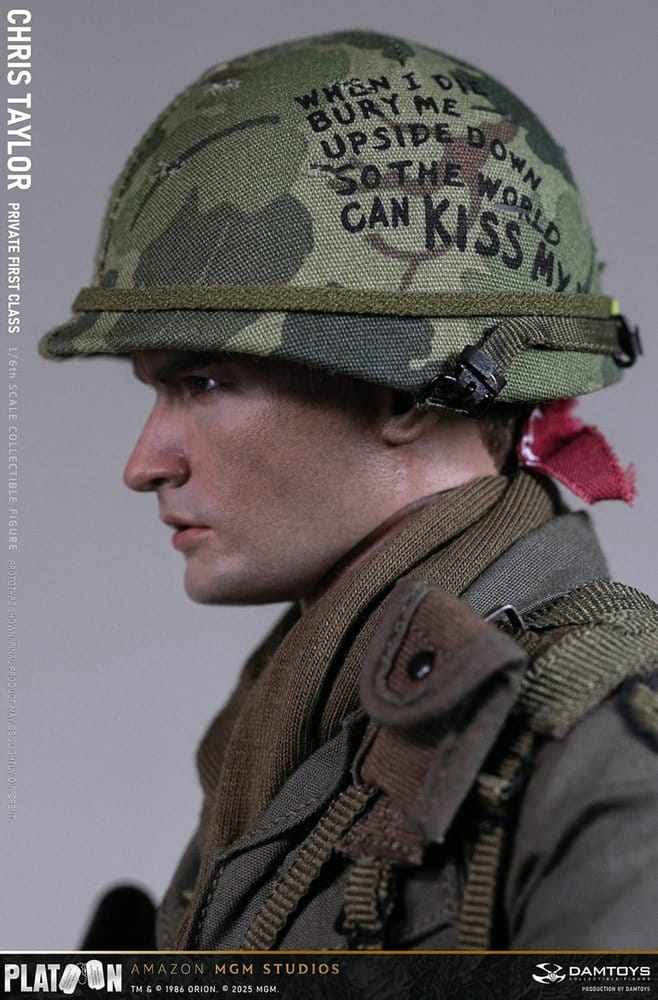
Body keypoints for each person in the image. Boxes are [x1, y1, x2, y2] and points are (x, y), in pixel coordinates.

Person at [40, 30, 657, 951]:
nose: (145, 464)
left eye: (202, 383)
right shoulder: (319, 727)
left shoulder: (598, 762)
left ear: (404, 392)